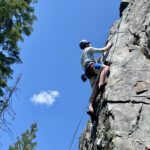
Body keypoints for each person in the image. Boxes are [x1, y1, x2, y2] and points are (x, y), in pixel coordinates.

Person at [79, 39, 113, 114]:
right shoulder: (89, 49)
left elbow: (85, 66)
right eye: (88, 43)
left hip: (88, 72)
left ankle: (91, 107)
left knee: (94, 89)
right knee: (106, 68)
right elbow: (102, 50)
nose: (90, 44)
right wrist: (110, 45)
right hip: (91, 66)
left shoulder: (82, 57)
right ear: (86, 44)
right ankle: (101, 83)